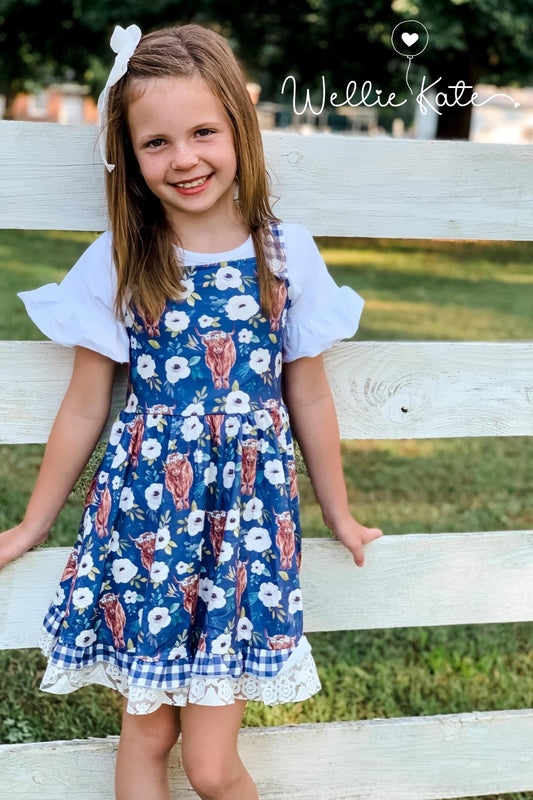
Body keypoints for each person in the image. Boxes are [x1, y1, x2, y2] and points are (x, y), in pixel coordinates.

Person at [0, 22, 383, 800]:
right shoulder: (121, 258)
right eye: (156, 142)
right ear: (129, 156)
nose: (183, 159)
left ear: (238, 129)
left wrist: (339, 514)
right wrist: (32, 523)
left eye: (203, 132)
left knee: (210, 768)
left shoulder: (283, 254)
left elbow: (305, 392)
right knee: (145, 735)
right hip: (146, 526)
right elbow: (83, 408)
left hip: (243, 532)